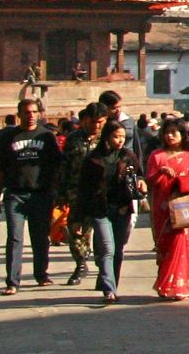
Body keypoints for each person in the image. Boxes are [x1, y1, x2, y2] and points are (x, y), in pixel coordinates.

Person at [0, 97, 62, 294]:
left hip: (40, 194)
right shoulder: (8, 138)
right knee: (15, 238)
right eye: (27, 112)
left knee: (40, 236)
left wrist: (56, 192)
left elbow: (56, 166)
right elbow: (0, 169)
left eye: (34, 112)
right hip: (15, 194)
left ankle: (41, 274)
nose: (31, 116)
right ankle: (12, 281)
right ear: (19, 115)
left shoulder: (47, 137)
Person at [77, 120, 140, 305]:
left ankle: (112, 283)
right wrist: (80, 216)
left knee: (118, 250)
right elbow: (84, 188)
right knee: (107, 249)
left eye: (122, 137)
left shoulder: (128, 156)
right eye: (116, 136)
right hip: (100, 209)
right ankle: (108, 289)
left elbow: (139, 174)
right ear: (106, 136)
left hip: (122, 208)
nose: (120, 140)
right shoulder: (93, 159)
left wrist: (141, 182)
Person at [144, 120, 189, 299]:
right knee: (166, 245)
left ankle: (181, 286)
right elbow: (149, 182)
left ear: (183, 135)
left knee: (184, 245)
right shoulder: (157, 156)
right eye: (167, 132)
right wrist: (160, 172)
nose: (169, 136)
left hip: (186, 207)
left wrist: (180, 180)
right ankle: (165, 285)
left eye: (174, 132)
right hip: (163, 208)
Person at [57, 101, 109, 284]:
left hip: (102, 194)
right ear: (85, 119)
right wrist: (61, 193)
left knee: (103, 234)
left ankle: (105, 270)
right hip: (77, 192)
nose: (96, 126)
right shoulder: (74, 138)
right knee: (77, 230)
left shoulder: (109, 138)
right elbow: (65, 166)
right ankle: (80, 263)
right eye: (93, 121)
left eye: (100, 122)